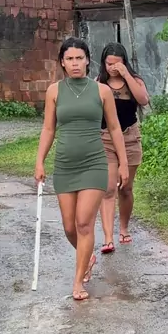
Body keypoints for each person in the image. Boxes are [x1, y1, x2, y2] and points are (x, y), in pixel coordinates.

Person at [34, 37, 129, 301]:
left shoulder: (102, 91)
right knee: (69, 227)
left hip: (94, 164)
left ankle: (78, 282)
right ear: (62, 63)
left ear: (88, 60)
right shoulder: (54, 91)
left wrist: (122, 163)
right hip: (65, 165)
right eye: (69, 59)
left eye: (79, 58)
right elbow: (48, 128)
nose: (75, 63)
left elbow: (114, 128)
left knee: (84, 223)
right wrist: (40, 161)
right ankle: (87, 257)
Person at [97, 43, 149, 253]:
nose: (112, 68)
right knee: (108, 188)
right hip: (105, 139)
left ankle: (124, 228)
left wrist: (126, 75)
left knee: (125, 188)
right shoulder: (99, 83)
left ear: (124, 63)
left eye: (117, 64)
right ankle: (108, 237)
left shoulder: (134, 81)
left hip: (130, 138)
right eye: (109, 63)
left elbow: (143, 99)